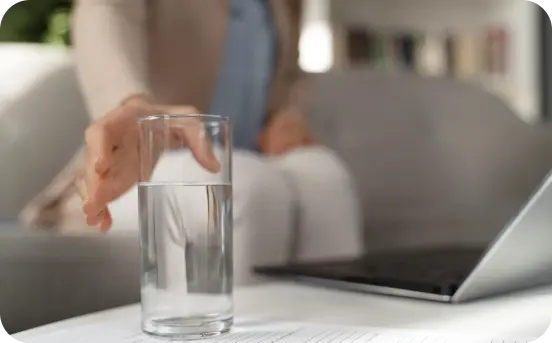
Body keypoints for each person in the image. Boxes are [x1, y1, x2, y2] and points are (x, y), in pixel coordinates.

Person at [72, 0, 362, 261]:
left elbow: (290, 74)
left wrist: (289, 114)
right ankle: (251, 320)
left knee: (327, 178)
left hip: (254, 153)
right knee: (246, 188)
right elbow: (104, 12)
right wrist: (131, 102)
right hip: (156, 159)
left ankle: (331, 322)